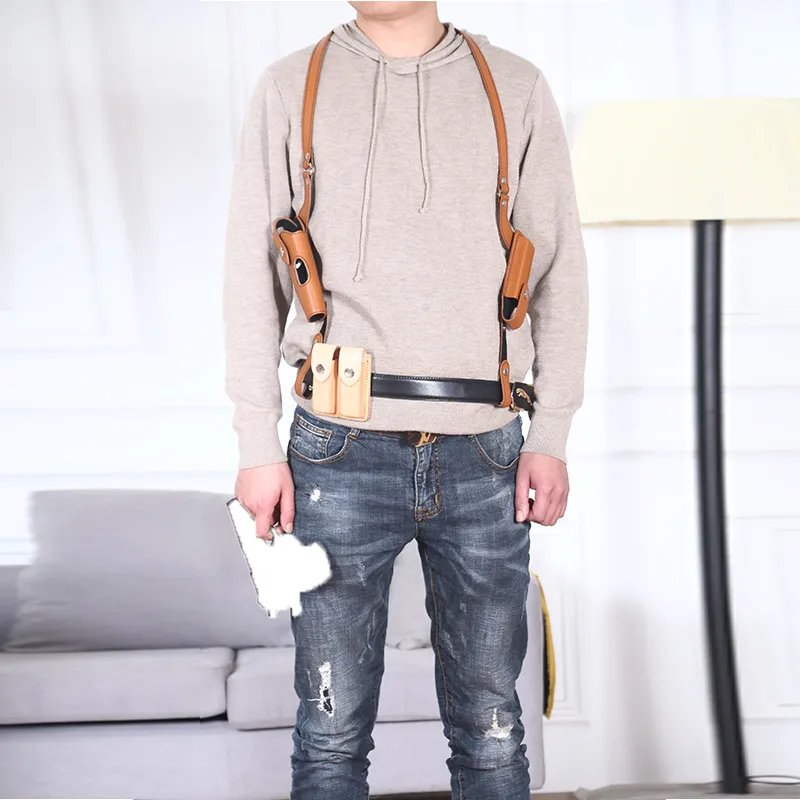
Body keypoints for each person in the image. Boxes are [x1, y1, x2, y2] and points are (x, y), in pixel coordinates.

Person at [222, 2, 588, 798]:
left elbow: (558, 267)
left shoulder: (516, 87)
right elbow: (251, 272)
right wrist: (256, 442)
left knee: (492, 729)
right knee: (329, 734)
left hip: (487, 447)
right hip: (336, 448)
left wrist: (550, 432)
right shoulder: (291, 86)